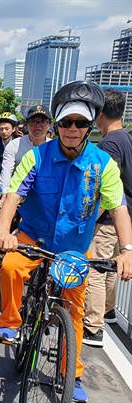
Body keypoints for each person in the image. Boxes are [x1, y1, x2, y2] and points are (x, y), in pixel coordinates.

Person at [0, 80, 132, 403]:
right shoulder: (37, 157)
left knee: (74, 312)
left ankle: (72, 373)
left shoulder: (103, 164)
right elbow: (13, 197)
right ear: (57, 125)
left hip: (74, 246)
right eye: (67, 122)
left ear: (89, 127)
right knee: (11, 267)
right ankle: (11, 323)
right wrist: (2, 232)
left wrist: (127, 250)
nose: (73, 128)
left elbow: (119, 209)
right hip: (33, 235)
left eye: (80, 123)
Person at [83, 89, 132, 347]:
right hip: (124, 221)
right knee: (112, 267)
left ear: (100, 113)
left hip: (108, 219)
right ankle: (108, 311)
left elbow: (103, 188)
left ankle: (92, 327)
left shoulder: (109, 144)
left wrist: (89, 218)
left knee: (96, 270)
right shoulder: (126, 138)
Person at [0, 105, 52, 192]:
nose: (37, 125)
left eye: (42, 121)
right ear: (26, 125)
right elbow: (6, 172)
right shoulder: (14, 145)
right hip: (18, 195)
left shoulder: (54, 147)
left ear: (49, 125)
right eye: (33, 121)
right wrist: (5, 193)